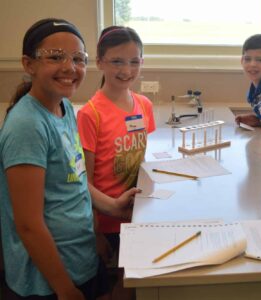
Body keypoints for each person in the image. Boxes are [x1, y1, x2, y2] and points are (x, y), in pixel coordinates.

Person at [0, 18, 110, 299]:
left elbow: (75, 182)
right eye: (56, 57)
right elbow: (29, 224)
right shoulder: (28, 125)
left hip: (78, 259)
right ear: (29, 64)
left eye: (78, 58)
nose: (70, 67)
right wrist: (64, 288)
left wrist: (112, 208)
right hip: (48, 281)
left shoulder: (65, 108)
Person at [77, 26, 156, 299]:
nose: (127, 70)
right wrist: (96, 232)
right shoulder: (91, 114)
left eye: (134, 61)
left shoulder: (143, 104)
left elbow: (141, 159)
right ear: (99, 62)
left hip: (137, 211)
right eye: (117, 61)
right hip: (108, 219)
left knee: (135, 279)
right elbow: (83, 183)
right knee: (124, 282)